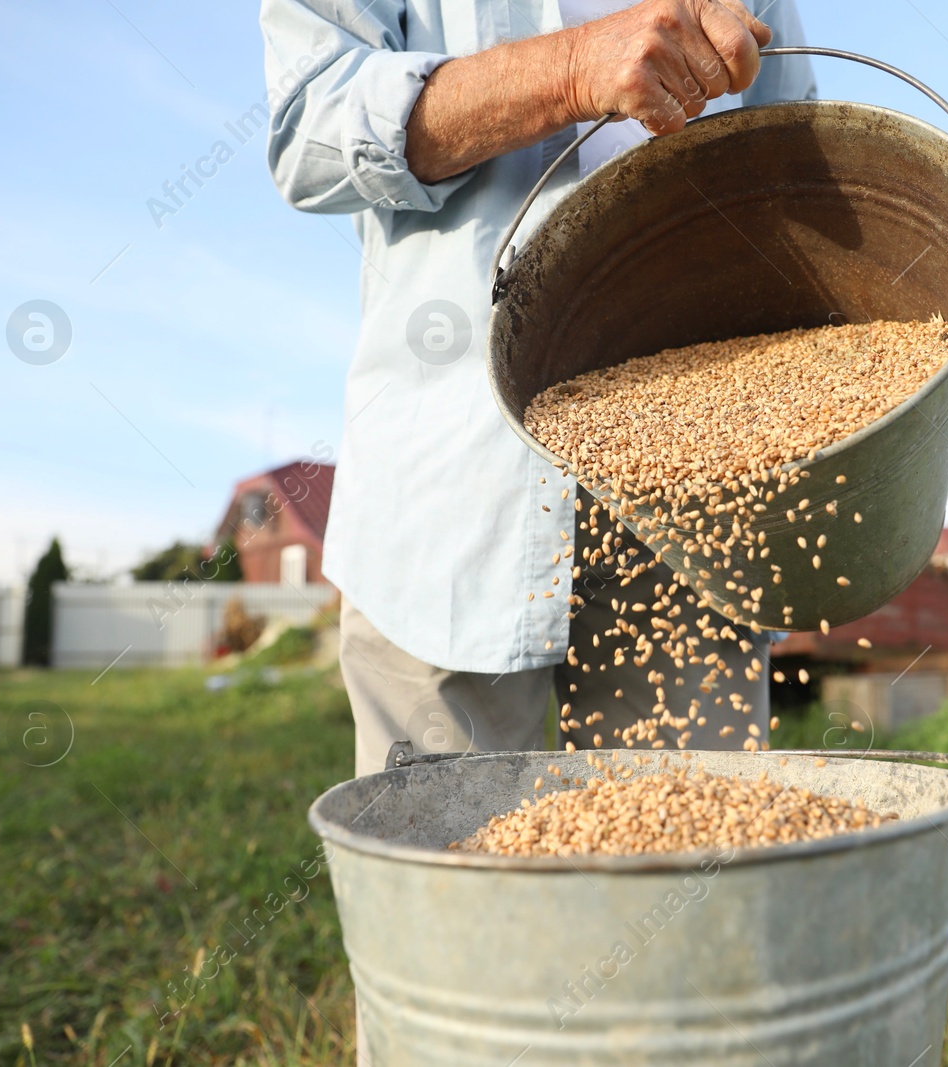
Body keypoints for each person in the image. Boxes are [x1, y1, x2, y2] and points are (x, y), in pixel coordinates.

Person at [261, 0, 815, 776]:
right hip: (454, 492)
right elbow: (309, 127)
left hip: (693, 486)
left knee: (693, 867)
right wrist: (572, 68)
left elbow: (794, 168)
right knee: (449, 874)